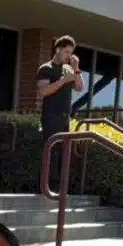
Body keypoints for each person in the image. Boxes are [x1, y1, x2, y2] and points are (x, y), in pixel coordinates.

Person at [37, 35, 84, 188]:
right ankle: (46, 187)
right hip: (51, 116)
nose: (69, 56)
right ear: (57, 49)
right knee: (51, 152)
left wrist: (76, 70)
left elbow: (79, 88)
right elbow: (43, 91)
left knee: (64, 154)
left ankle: (60, 189)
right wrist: (63, 80)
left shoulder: (69, 69)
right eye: (66, 52)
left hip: (65, 118)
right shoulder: (46, 68)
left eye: (71, 53)